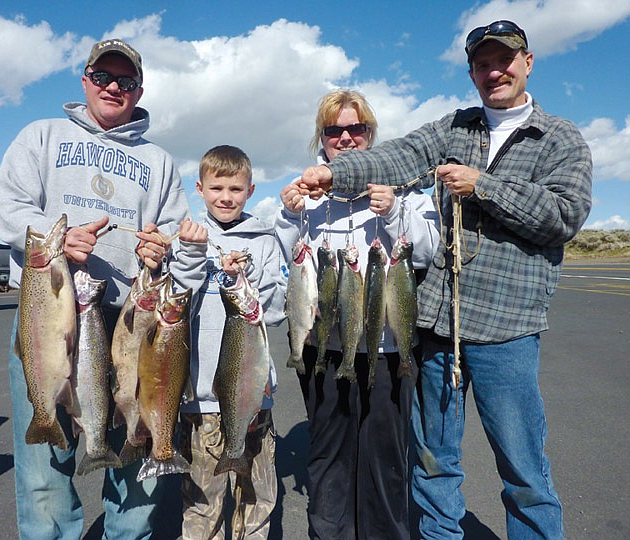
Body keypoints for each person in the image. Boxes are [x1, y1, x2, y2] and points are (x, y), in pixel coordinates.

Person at [299, 21, 592, 540]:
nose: (493, 71)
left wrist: (484, 186)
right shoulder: (455, 128)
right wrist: (334, 175)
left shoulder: (561, 138)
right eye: (482, 64)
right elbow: (397, 156)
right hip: (438, 327)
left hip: (507, 329)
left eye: (504, 60)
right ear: (472, 72)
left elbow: (565, 216)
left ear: (527, 62)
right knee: (434, 467)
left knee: (523, 470)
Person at [0, 38, 207, 539]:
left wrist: (161, 249)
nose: (114, 87)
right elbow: (8, 204)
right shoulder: (40, 136)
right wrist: (59, 236)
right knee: (44, 472)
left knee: (135, 462)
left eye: (126, 81)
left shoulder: (158, 161)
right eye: (103, 77)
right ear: (85, 79)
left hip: (131, 321)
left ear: (139, 89)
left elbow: (172, 230)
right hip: (49, 316)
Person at [275, 89, 440, 540]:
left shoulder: (406, 192)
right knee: (328, 456)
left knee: (385, 459)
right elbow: (284, 269)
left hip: (387, 349)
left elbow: (425, 254)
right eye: (334, 130)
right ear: (321, 139)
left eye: (356, 129)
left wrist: (391, 213)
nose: (345, 138)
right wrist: (289, 218)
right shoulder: (303, 197)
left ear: (371, 135)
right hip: (324, 347)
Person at [178, 145, 287, 540]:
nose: (226, 197)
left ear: (251, 190)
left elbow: (275, 313)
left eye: (236, 189)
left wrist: (250, 283)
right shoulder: (187, 239)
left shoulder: (264, 240)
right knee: (203, 503)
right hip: (201, 397)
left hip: (253, 397)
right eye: (217, 187)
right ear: (200, 189)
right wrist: (191, 255)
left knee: (257, 500)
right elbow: (176, 301)